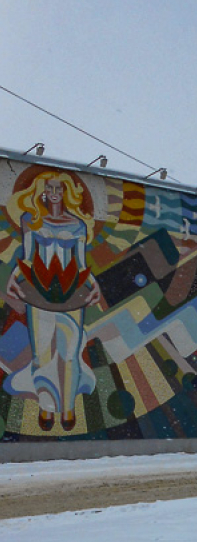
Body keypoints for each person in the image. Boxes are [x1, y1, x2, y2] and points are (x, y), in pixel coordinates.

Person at [4, 170, 102, 431]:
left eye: (60, 189)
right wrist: (12, 279)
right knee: (42, 355)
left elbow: (81, 263)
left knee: (70, 354)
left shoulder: (77, 225)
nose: (55, 193)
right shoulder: (31, 221)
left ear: (66, 192)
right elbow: (26, 258)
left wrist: (96, 286)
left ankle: (68, 406)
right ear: (43, 192)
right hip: (38, 294)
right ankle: (46, 407)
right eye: (50, 189)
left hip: (72, 295)